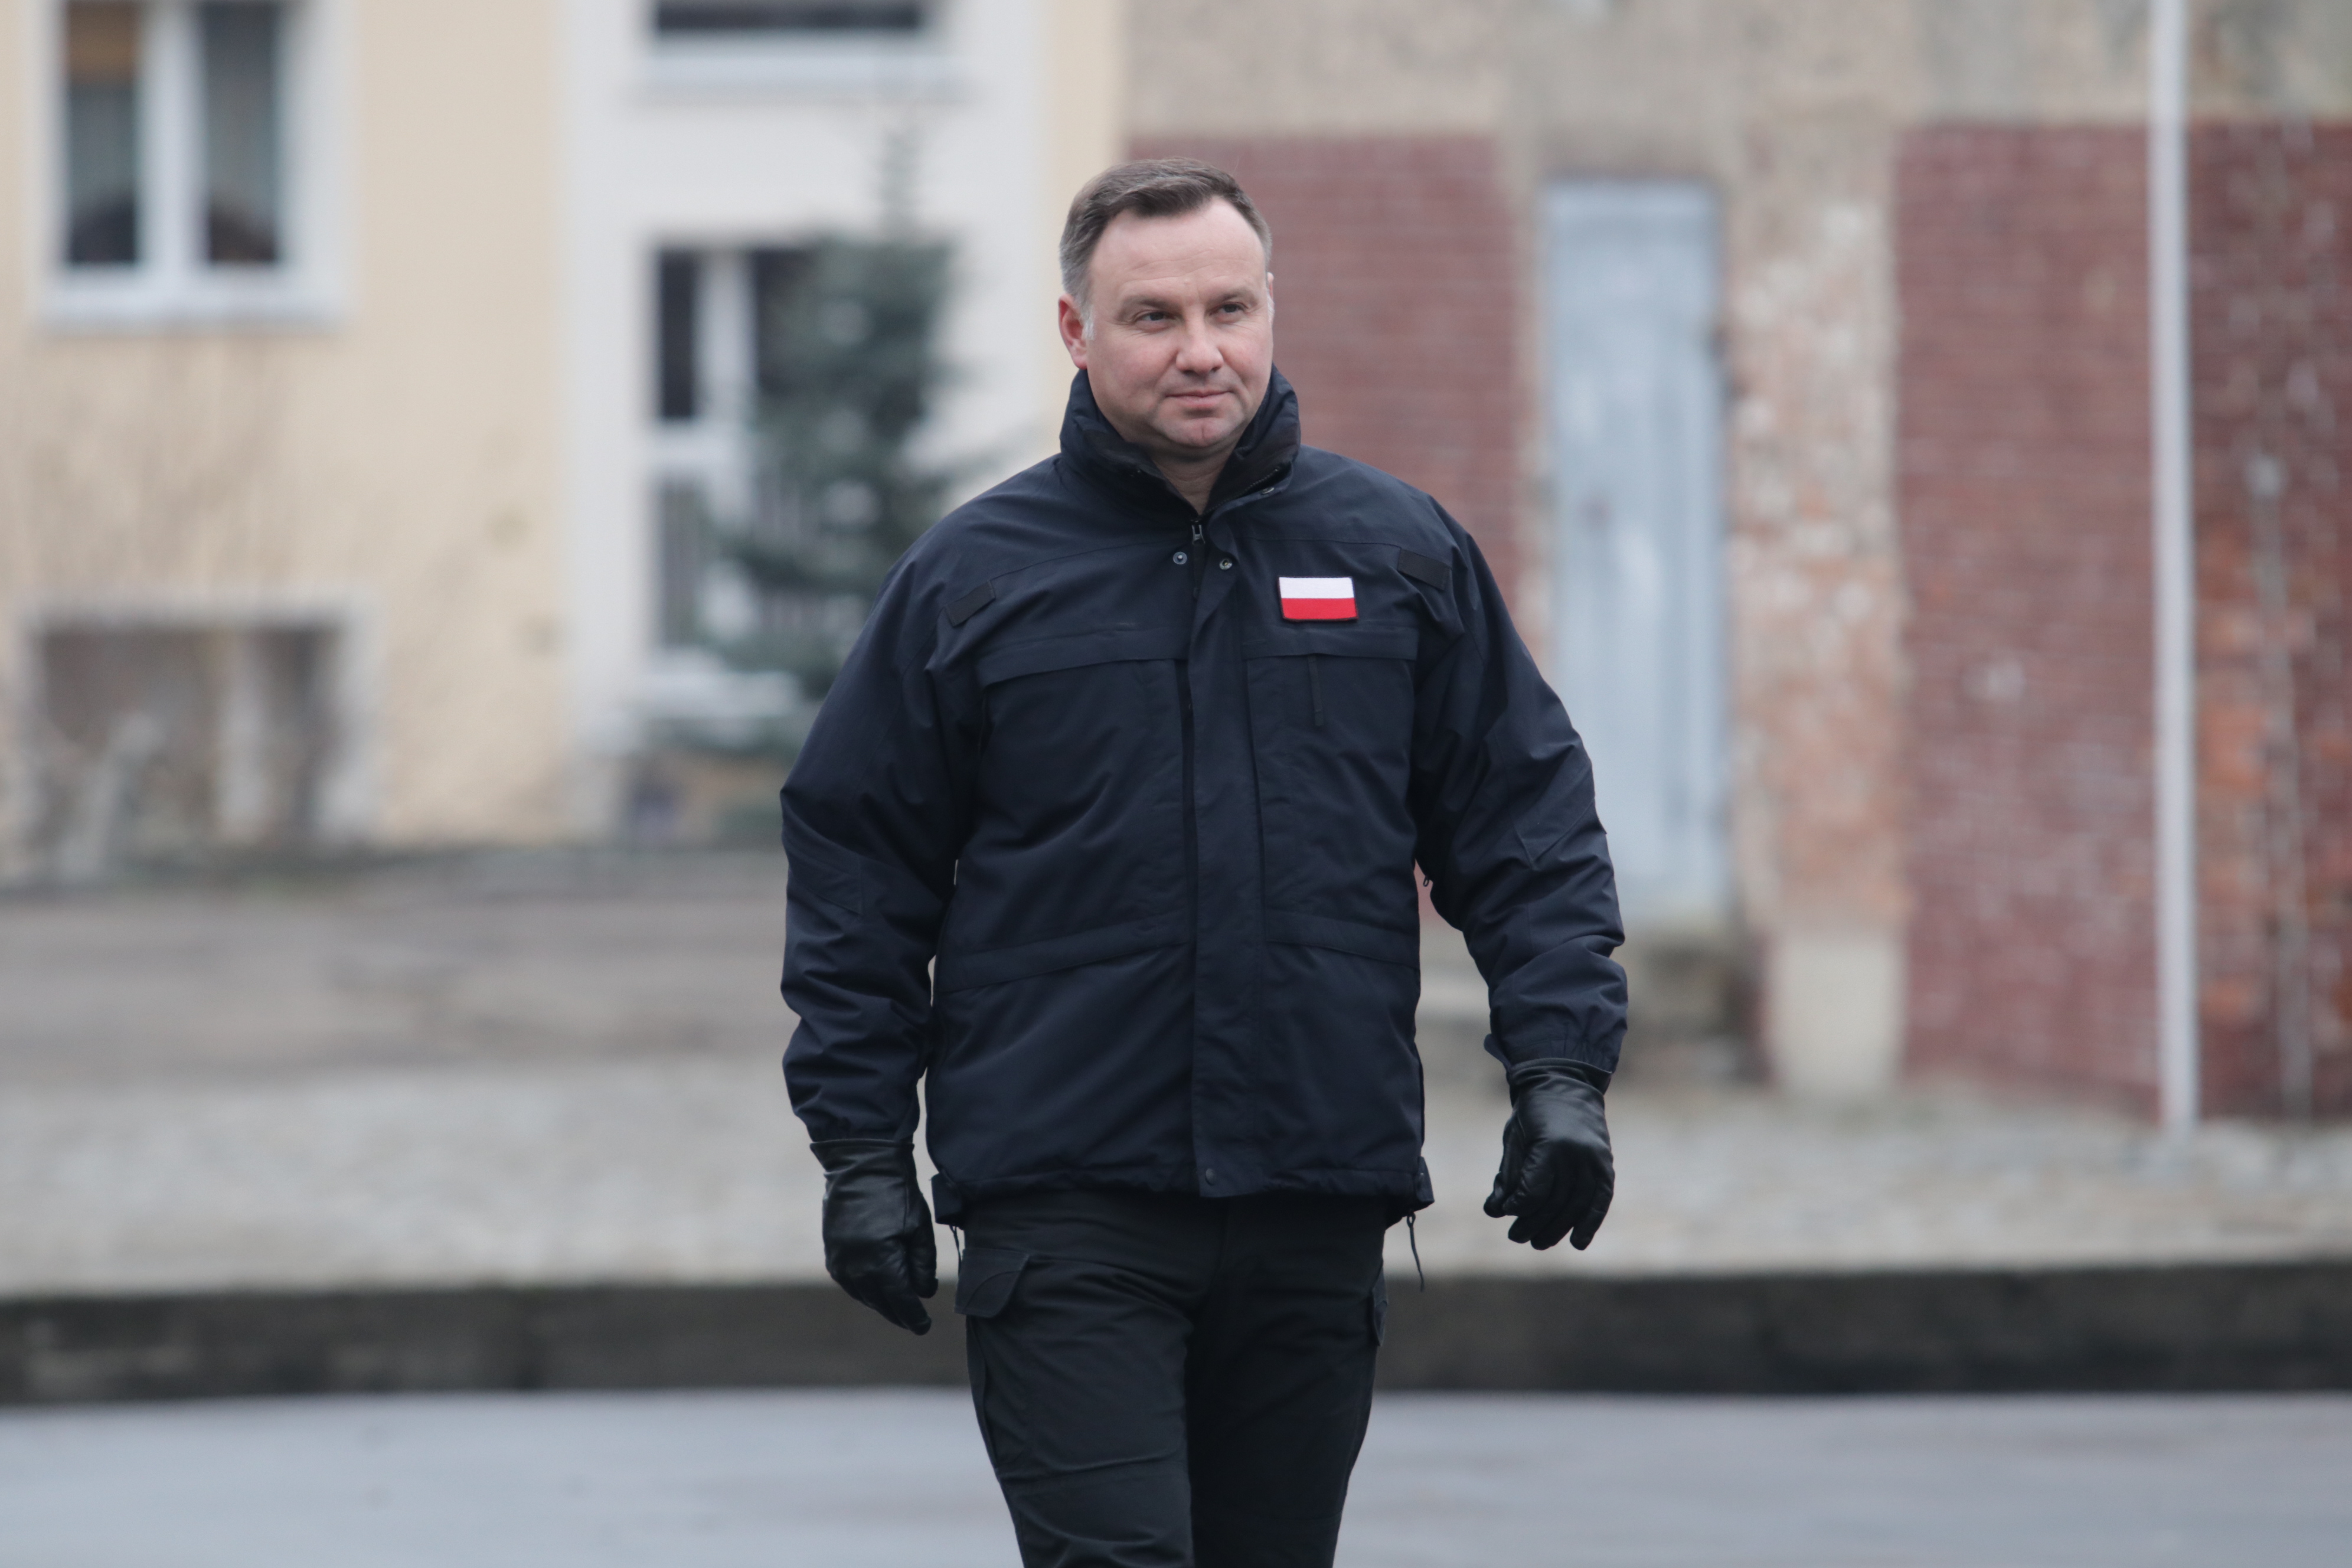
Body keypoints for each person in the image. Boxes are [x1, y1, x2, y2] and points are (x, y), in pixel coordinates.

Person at [781, 159, 1626, 1568]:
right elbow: (860, 876)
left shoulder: (1399, 556)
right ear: (1077, 330)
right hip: (1065, 1200)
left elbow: (1524, 826)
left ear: (1271, 307)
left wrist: (1563, 1070)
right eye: (1153, 315)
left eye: (1229, 308)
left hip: (1314, 1189)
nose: (1200, 350)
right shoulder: (973, 582)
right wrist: (861, 1151)